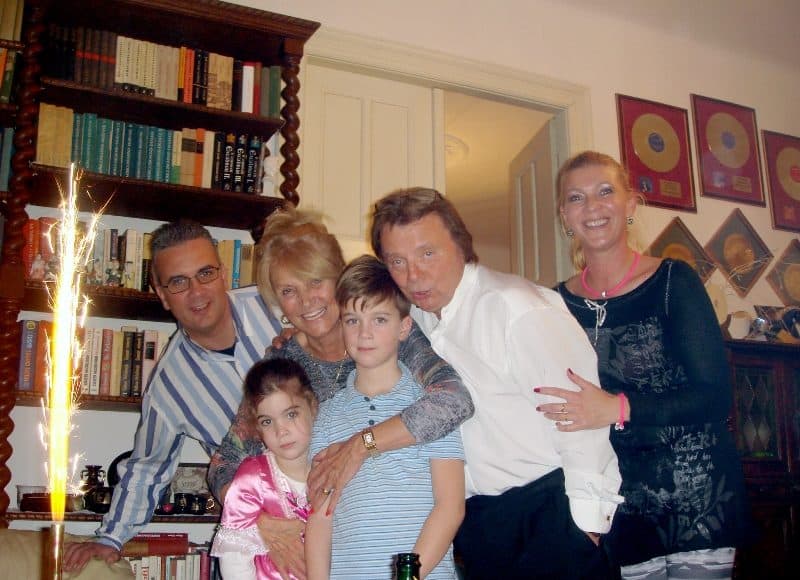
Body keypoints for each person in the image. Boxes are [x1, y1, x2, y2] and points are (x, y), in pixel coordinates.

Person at [370, 187, 622, 579]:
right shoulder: (417, 321)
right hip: (479, 526)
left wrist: (585, 531)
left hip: (548, 515)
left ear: (460, 244)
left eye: (427, 254)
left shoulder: (517, 308)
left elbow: (582, 422)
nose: (413, 275)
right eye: (397, 261)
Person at [207, 208, 473, 578]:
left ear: (340, 279)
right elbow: (224, 466)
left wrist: (360, 445)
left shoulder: (390, 335)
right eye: (289, 291)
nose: (306, 302)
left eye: (315, 282)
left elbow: (453, 401)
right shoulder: (283, 367)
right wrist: (261, 522)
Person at [536, 151, 750, 579]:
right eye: (576, 197)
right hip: (620, 506)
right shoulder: (554, 303)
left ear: (630, 203)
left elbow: (714, 396)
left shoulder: (673, 281)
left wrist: (617, 408)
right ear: (564, 216)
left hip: (696, 497)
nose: (592, 207)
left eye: (605, 192)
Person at [63, 220, 282, 573]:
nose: (197, 292)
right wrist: (110, 538)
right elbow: (147, 469)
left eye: (205, 273)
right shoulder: (168, 387)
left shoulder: (275, 304)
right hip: (263, 529)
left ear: (223, 273)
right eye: (179, 282)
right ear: (162, 295)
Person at [305, 255, 464, 578]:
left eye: (379, 319)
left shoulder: (431, 409)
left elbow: (449, 507)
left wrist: (411, 574)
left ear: (404, 327)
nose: (364, 334)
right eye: (352, 321)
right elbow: (320, 516)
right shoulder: (327, 415)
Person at [211, 358, 317, 579]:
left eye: (291, 414)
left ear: (312, 406)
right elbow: (234, 561)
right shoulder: (252, 478)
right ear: (257, 427)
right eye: (267, 422)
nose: (281, 431)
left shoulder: (331, 468)